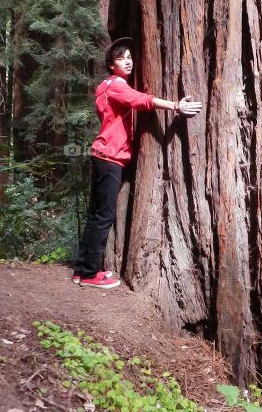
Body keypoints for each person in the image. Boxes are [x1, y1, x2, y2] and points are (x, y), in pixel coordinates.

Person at [72, 37, 202, 288]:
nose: (128, 61)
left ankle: (81, 269)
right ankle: (89, 274)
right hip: (110, 158)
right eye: (121, 58)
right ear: (111, 64)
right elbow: (141, 100)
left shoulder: (106, 87)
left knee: (95, 215)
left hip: (104, 157)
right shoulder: (116, 85)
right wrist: (176, 106)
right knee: (104, 216)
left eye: (130, 57)